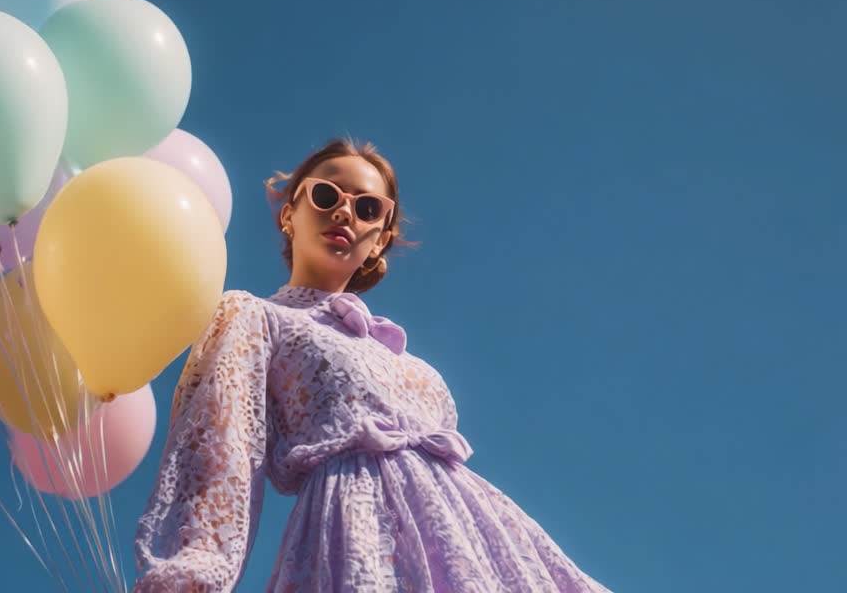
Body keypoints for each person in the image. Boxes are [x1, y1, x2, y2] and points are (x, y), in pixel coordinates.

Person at [132, 138, 613, 592]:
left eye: (367, 208)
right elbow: (221, 449)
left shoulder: (413, 365)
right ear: (288, 215)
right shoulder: (255, 317)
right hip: (355, 530)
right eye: (326, 195)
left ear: (380, 240)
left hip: (469, 543)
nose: (345, 211)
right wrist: (192, 572)